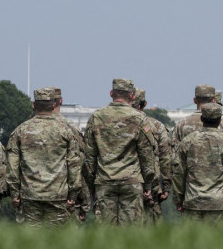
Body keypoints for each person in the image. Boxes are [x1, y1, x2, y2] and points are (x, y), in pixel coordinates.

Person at [84, 78, 157, 225]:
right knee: (131, 231)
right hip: (131, 182)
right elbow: (146, 154)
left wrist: (91, 185)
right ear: (132, 96)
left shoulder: (96, 117)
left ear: (111, 93)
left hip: (104, 181)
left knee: (105, 231)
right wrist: (148, 184)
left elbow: (89, 156)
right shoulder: (140, 118)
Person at [7, 88, 82, 227]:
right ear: (54, 105)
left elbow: (13, 167)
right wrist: (73, 194)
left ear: (34, 105)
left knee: (30, 238)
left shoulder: (20, 131)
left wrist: (14, 193)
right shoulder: (66, 131)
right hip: (57, 195)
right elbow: (74, 164)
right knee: (57, 237)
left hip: (30, 195)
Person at [174, 103, 223, 223]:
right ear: (220, 120)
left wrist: (178, 199)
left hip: (193, 201)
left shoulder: (187, 141)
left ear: (201, 118)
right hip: (219, 204)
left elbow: (179, 173)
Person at [50, 87, 92, 222]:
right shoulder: (71, 128)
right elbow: (79, 164)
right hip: (65, 196)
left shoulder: (25, 129)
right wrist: (84, 201)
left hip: (33, 195)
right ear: (60, 101)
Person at [132, 88, 172, 223]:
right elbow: (165, 157)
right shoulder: (156, 126)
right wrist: (166, 186)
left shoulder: (115, 124)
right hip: (151, 184)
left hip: (120, 182)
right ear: (144, 104)